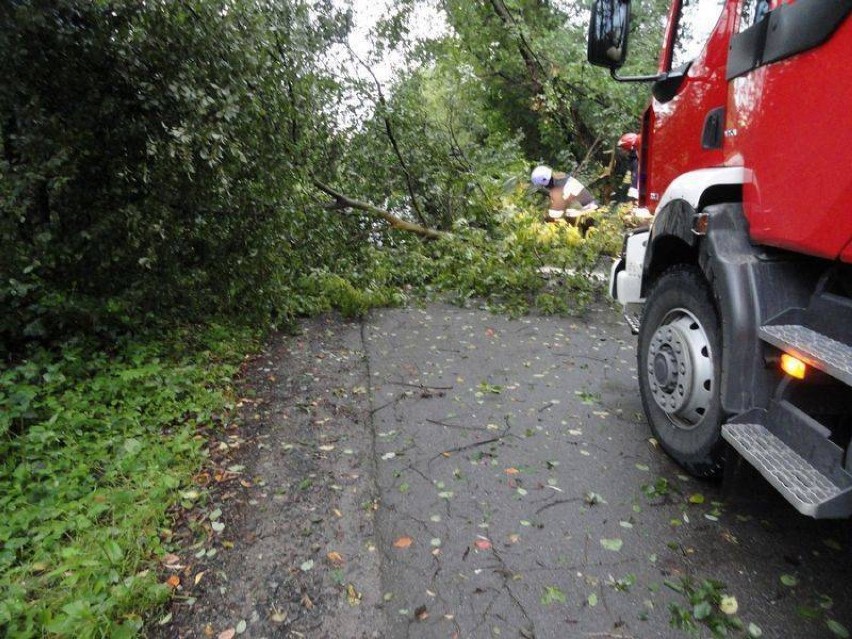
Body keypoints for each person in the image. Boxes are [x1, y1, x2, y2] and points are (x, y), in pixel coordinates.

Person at [530, 165, 597, 224]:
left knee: (558, 219)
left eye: (543, 185)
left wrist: (544, 220)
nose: (544, 187)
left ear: (545, 181)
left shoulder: (558, 188)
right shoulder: (561, 177)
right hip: (589, 206)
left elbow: (555, 214)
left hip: (587, 212)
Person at [617, 133, 640, 200]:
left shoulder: (635, 161)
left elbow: (634, 176)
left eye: (623, 148)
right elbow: (628, 178)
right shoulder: (631, 159)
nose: (622, 151)